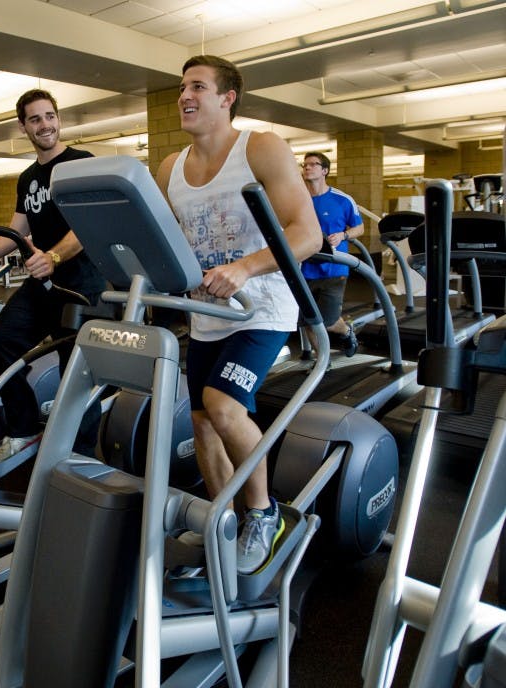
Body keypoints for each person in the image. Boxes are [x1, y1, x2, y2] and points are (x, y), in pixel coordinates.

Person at [155, 55, 320, 574]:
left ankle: (264, 512)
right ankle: (223, 519)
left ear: (227, 98)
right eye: (182, 87)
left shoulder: (261, 147)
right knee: (202, 423)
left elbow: (307, 232)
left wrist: (246, 268)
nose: (185, 95)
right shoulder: (169, 168)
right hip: (205, 313)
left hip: (262, 306)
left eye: (197, 87)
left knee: (222, 406)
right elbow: (166, 240)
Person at [0, 89, 106, 463]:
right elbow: (15, 232)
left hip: (80, 284)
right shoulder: (28, 178)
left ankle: (79, 460)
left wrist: (53, 255)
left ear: (58, 119)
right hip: (42, 283)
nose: (45, 124)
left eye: (50, 116)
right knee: (1, 339)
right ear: (24, 126)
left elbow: (88, 223)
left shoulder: (81, 163)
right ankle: (24, 428)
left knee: (76, 372)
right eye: (35, 119)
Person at [299, 151, 364, 358]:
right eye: (305, 165)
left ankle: (346, 330)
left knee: (327, 321)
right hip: (305, 269)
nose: (307, 167)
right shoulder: (298, 200)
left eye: (313, 164)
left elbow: (359, 228)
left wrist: (343, 235)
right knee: (308, 320)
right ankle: (322, 360)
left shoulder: (342, 200)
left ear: (325, 171)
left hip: (334, 270)